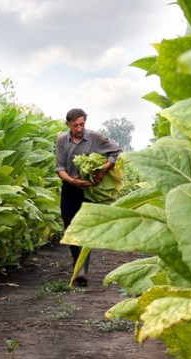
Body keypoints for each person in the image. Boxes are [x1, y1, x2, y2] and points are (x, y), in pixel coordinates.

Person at [55, 108, 122, 287]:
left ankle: (82, 270)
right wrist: (71, 181)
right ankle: (78, 265)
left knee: (85, 228)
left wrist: (101, 173)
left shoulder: (95, 138)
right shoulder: (62, 140)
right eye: (75, 125)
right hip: (70, 189)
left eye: (82, 124)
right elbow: (59, 168)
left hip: (89, 191)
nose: (79, 128)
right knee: (70, 228)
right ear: (68, 124)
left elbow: (115, 152)